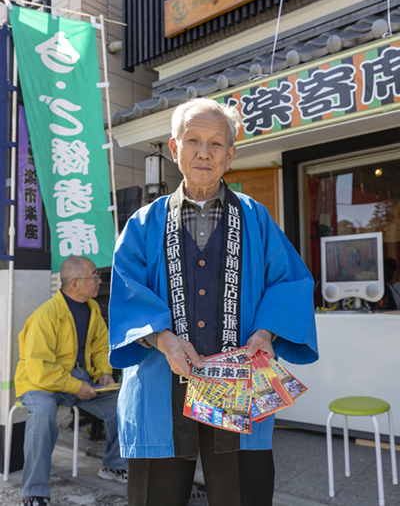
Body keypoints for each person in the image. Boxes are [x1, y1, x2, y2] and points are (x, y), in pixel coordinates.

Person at [109, 98, 319, 506]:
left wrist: (265, 331)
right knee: (156, 495)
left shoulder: (257, 219)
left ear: (230, 155)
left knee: (243, 493)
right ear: (174, 148)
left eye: (216, 143)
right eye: (193, 140)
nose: (204, 152)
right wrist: (164, 339)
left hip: (238, 380)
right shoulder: (143, 224)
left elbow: (289, 281)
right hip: (160, 382)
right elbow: (126, 289)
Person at [15, 256, 127, 506]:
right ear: (75, 284)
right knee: (43, 414)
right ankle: (34, 492)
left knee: (122, 403)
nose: (100, 281)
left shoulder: (92, 308)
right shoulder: (45, 315)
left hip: (80, 380)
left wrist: (104, 372)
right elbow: (39, 369)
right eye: (95, 276)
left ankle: (113, 465)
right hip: (39, 384)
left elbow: (100, 345)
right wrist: (77, 386)